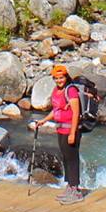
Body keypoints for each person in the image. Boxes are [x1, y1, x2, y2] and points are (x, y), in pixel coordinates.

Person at [34, 64, 86, 204]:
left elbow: (76, 112)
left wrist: (73, 133)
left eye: (61, 78)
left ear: (66, 77)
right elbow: (56, 110)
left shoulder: (71, 91)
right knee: (66, 158)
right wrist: (43, 121)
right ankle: (69, 187)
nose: (59, 81)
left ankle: (76, 191)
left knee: (72, 158)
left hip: (71, 130)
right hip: (60, 129)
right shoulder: (56, 91)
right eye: (56, 78)